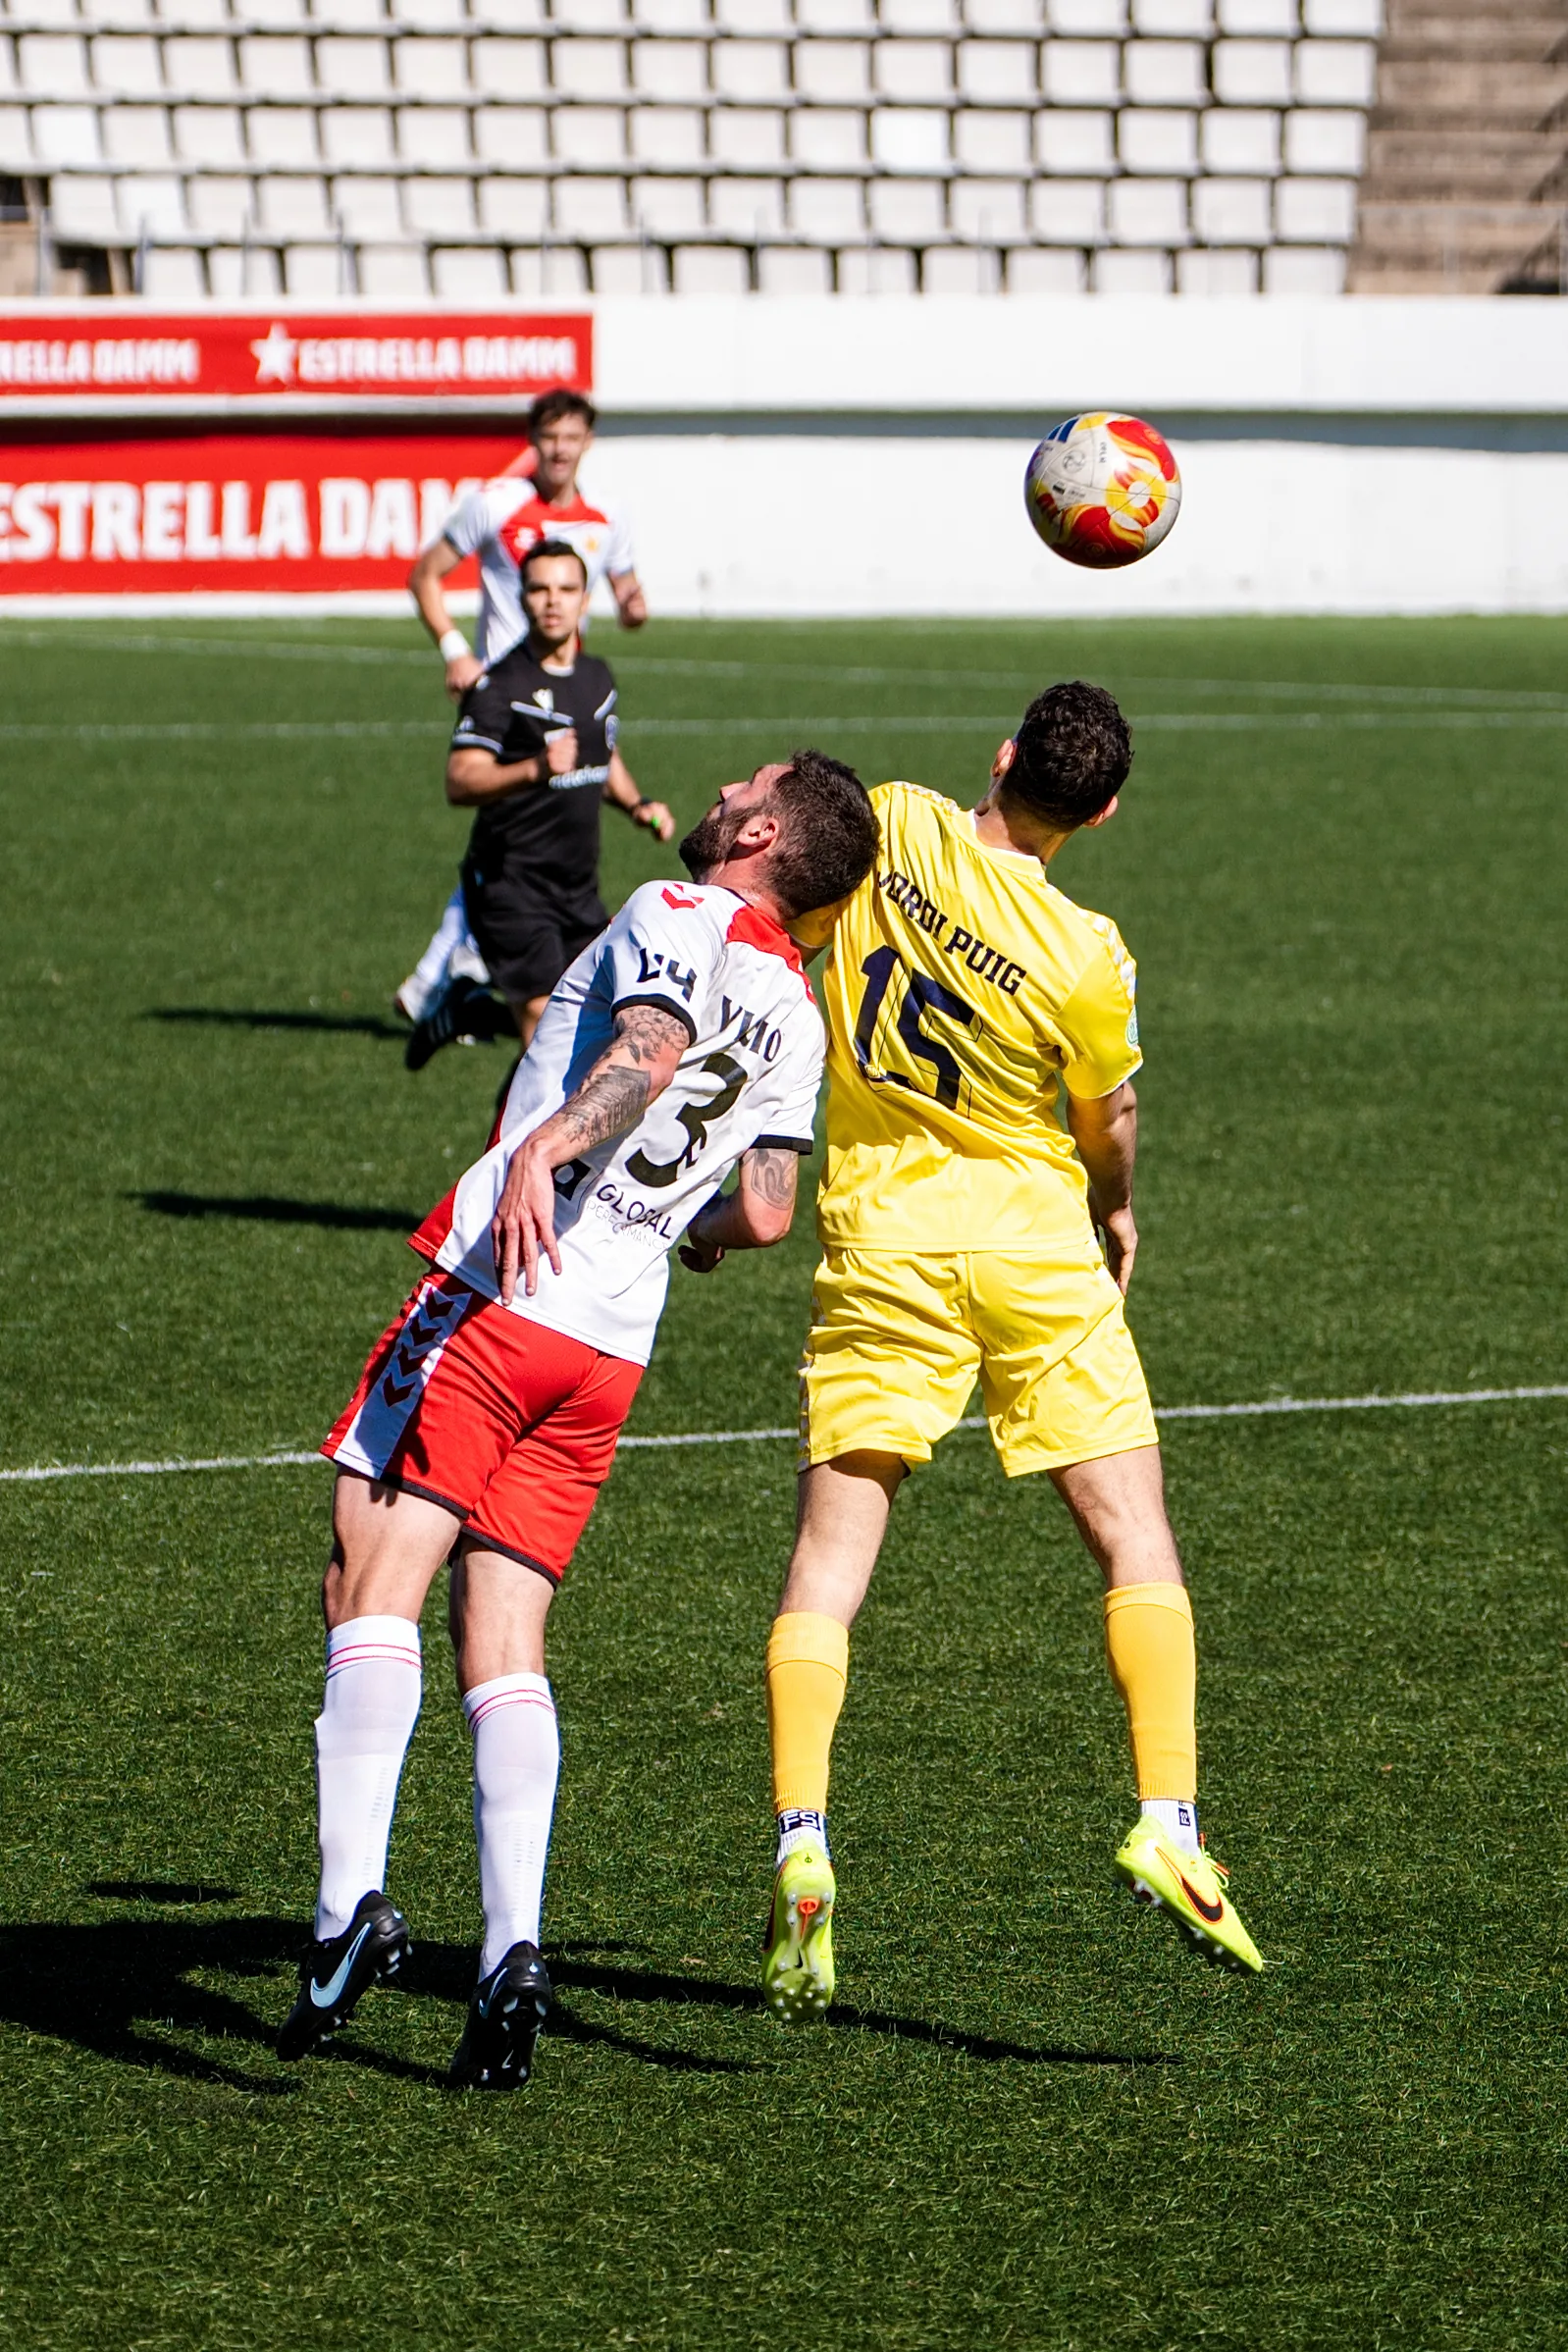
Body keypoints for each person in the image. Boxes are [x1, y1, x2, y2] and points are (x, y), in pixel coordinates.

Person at [277, 751, 880, 2090]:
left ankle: (346, 1913)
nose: (719, 786)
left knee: (364, 1580)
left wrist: (549, 1149)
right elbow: (769, 1210)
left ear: (763, 828)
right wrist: (681, 1223)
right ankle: (510, 1951)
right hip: (608, 1351)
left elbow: (648, 1053)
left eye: (747, 780)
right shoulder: (797, 1005)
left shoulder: (680, 914)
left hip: (507, 1290)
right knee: (507, 1639)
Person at [758, 683, 1264, 2026]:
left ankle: (801, 1834)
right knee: (1132, 1535)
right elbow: (1111, 1115)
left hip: (885, 1239)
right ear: (1100, 812)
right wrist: (1115, 1200)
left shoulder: (899, 824)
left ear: (999, 759)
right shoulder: (1086, 949)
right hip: (1034, 1246)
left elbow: (800, 902)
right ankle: (1166, 1815)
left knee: (829, 1559)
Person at [399, 390, 649, 1029]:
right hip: (507, 697)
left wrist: (631, 602)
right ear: (532, 440)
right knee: (512, 845)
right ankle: (447, 982)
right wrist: (455, 651)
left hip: (567, 689)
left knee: (525, 843)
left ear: (587, 442)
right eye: (548, 436)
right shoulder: (494, 504)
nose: (559, 449)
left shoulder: (605, 516)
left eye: (571, 437)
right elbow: (426, 574)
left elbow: (620, 578)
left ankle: (448, 985)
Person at [406, 539, 675, 1069]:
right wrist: (534, 767)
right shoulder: (500, 685)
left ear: (585, 599)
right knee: (547, 1034)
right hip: (511, 883)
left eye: (566, 589)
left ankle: (472, 1011)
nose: (553, 600)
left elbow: (604, 757)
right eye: (539, 589)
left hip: (577, 886)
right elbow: (459, 780)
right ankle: (536, 1148)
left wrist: (637, 804)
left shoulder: (597, 677)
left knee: (595, 1021)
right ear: (522, 598)